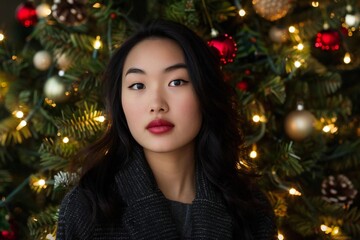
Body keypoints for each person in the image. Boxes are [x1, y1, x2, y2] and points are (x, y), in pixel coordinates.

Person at [56, 19, 277, 239]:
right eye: (138, 85)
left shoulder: (251, 209)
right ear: (120, 103)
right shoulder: (87, 208)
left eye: (176, 82)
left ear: (204, 92)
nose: (156, 104)